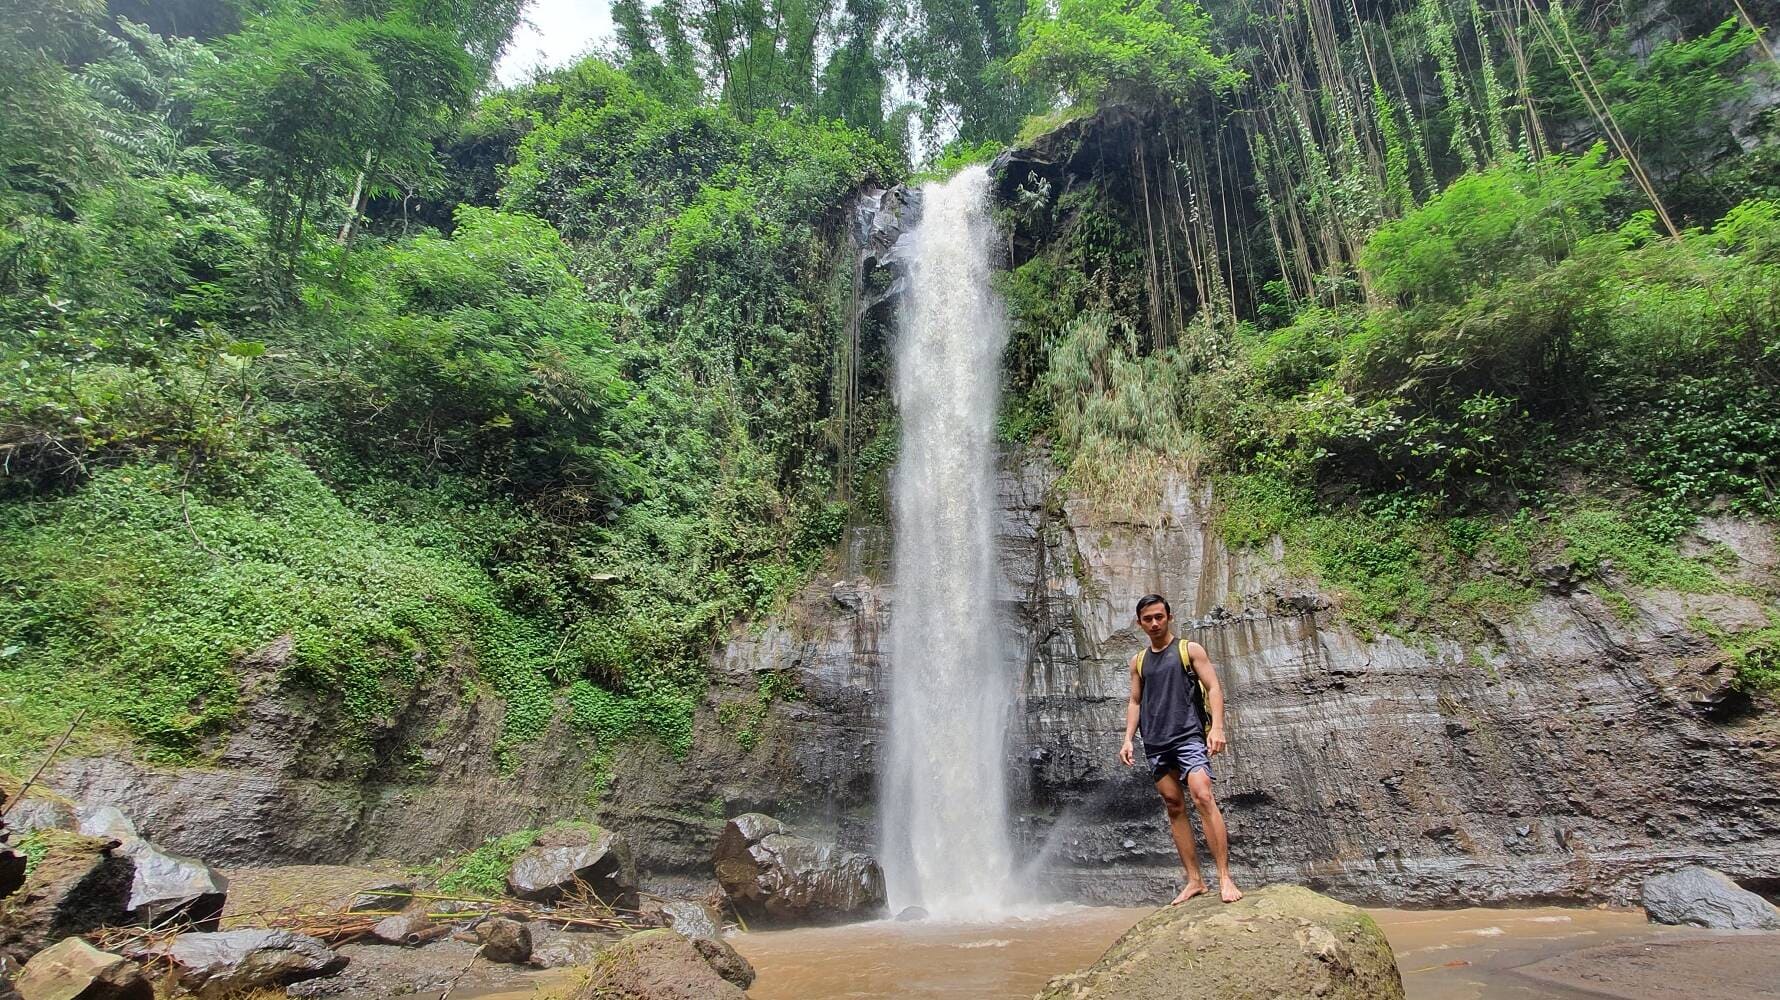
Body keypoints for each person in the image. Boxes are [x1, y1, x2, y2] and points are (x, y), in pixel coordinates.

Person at [1119, 593, 1243, 905]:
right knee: (1174, 805)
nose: (1154, 623)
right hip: (1156, 741)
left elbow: (1214, 687)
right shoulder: (1139, 661)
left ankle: (1225, 878)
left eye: (1159, 616)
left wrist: (1217, 727)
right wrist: (1127, 738)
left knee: (1202, 794)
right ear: (1140, 623)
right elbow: (1135, 701)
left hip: (1188, 735)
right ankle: (1195, 880)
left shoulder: (1189, 650)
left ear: (1169, 616)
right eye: (1148, 619)